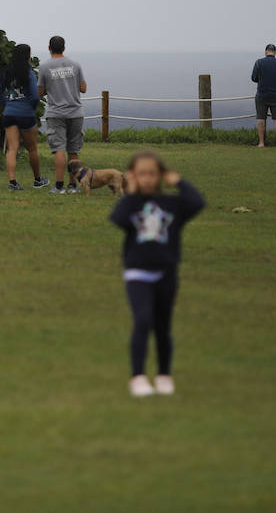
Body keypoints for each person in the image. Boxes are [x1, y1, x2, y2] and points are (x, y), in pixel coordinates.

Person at [109, 150, 205, 397]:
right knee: (142, 320)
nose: (148, 178)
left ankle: (163, 374)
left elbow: (197, 203)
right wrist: (130, 192)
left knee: (163, 326)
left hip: (166, 273)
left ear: (160, 175)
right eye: (142, 174)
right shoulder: (132, 205)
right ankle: (138, 376)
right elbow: (117, 218)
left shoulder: (172, 204)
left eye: (152, 173)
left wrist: (179, 182)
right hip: (138, 273)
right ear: (134, 176)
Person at [36, 35, 87, 194]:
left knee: (59, 149)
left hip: (56, 113)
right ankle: (73, 186)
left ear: (49, 48)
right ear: (64, 48)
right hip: (76, 112)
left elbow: (40, 92)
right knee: (73, 149)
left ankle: (59, 186)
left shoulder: (44, 67)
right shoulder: (75, 64)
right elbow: (83, 88)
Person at [0, 43, 48, 191]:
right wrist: (31, 108)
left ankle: (12, 182)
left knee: (12, 149)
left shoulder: (6, 72)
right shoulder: (28, 72)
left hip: (9, 114)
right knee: (32, 149)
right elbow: (35, 96)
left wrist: (8, 104)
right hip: (26, 114)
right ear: (28, 56)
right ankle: (37, 180)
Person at [251, 43, 276, 148]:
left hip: (262, 94)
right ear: (275, 52)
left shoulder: (258, 63)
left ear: (266, 52)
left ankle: (261, 143)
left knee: (261, 118)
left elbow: (254, 78)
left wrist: (263, 81)